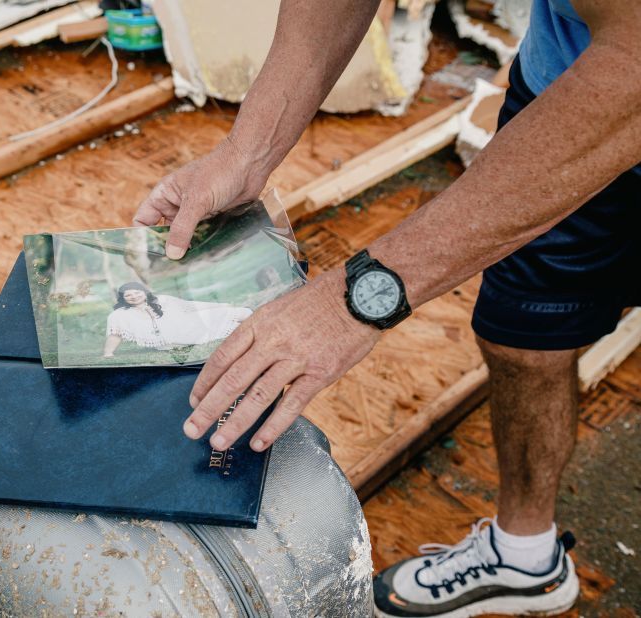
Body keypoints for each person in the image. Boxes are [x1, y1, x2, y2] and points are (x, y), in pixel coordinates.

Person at [132, 0, 640, 615]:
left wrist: (358, 299)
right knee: (525, 337)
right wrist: (248, 152)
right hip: (566, 92)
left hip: (620, 82)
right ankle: (525, 558)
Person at [103, 282, 252, 357]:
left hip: (189, 323)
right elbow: (115, 334)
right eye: (128, 295)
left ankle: (256, 323)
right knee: (235, 324)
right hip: (177, 338)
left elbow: (190, 306)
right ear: (123, 298)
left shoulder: (162, 300)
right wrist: (108, 354)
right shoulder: (120, 314)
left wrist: (218, 305)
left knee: (241, 313)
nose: (134, 296)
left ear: (144, 292)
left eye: (137, 292)